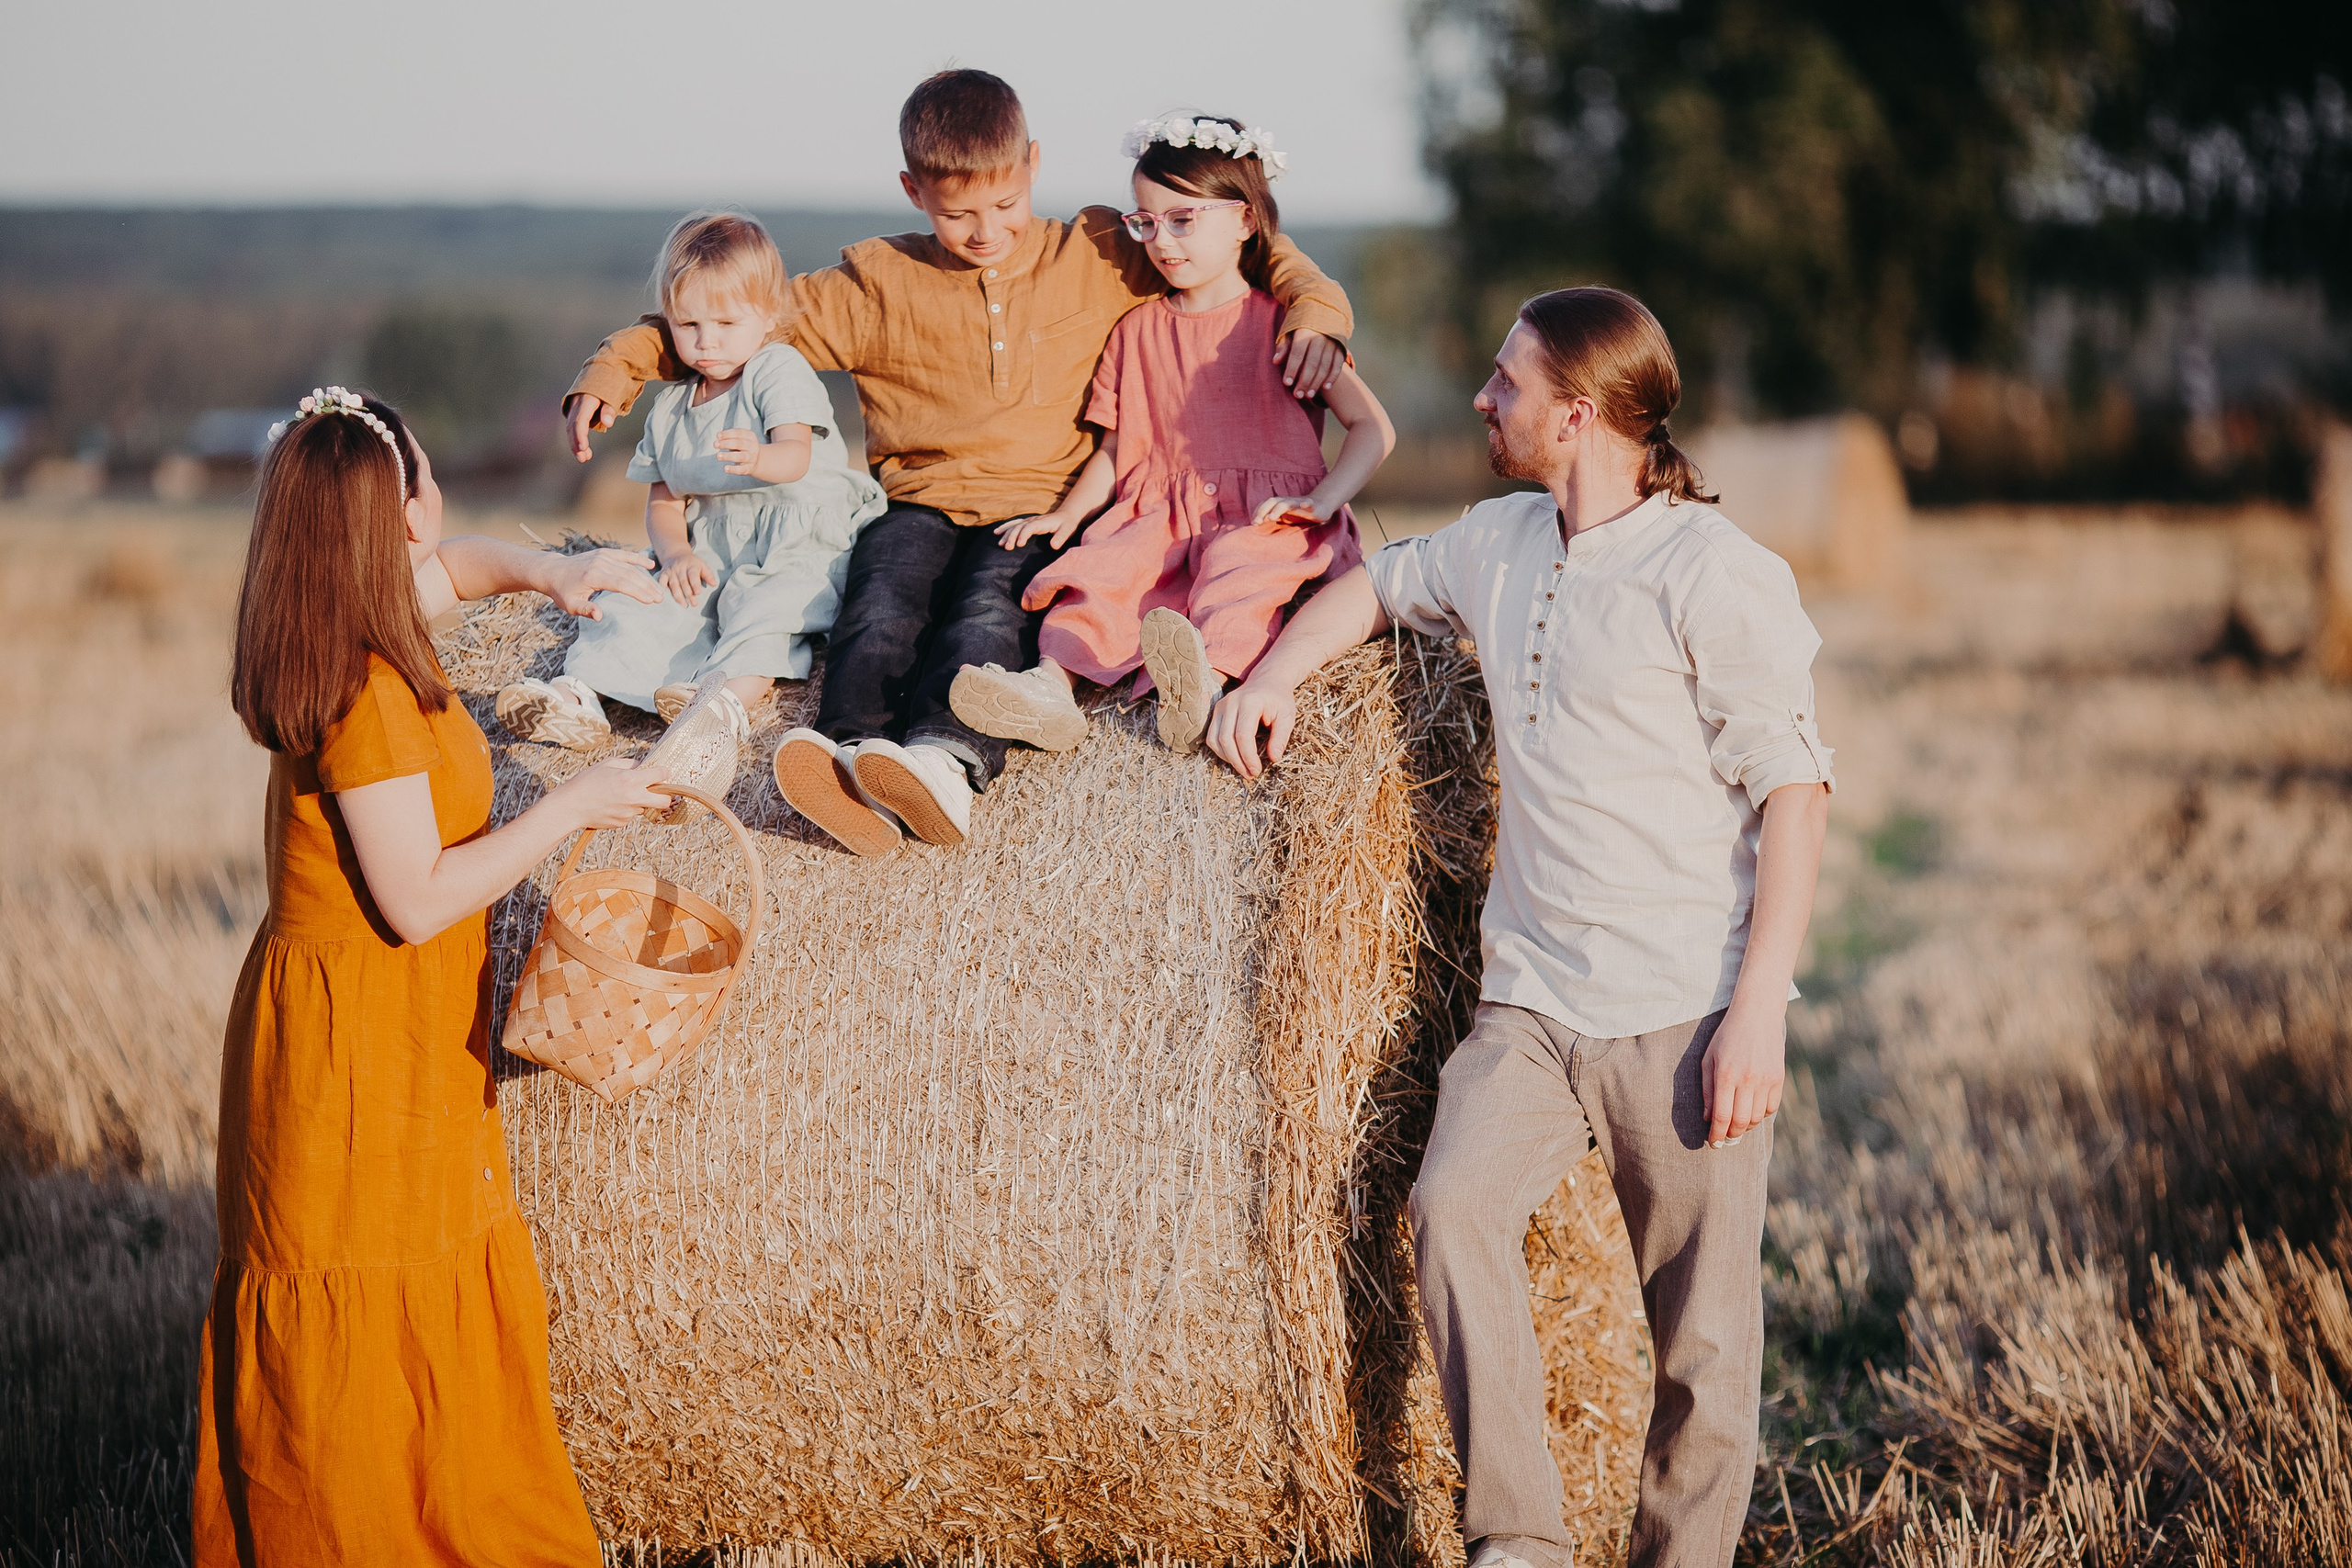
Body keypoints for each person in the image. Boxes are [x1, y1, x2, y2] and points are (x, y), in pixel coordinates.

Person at [1208, 289, 1835, 1568]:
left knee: (1703, 1345)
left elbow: (1796, 788)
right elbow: (1376, 593)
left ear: (1577, 413)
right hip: (1531, 1002)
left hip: (1684, 1006)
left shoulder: (1713, 575)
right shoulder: (1500, 542)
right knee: (1453, 1204)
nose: (1484, 398)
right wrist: (1271, 674)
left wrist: (1760, 1000)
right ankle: (1520, 1534)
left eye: (1506, 382)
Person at [559, 69, 1353, 854]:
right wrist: (613, 368)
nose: (984, 231)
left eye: (1005, 206)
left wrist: (1317, 315)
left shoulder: (1104, 250)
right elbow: (725, 322)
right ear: (913, 190)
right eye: (957, 213)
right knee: (879, 605)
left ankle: (942, 764)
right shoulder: (876, 283)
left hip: (1043, 505)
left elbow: (1249, 251)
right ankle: (845, 759)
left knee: (989, 612)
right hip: (919, 501)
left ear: (1033, 164)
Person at [196, 387, 671, 1565]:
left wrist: (558, 575)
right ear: (393, 515)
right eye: (421, 476)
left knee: (425, 1291)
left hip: (389, 1032)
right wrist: (573, 805)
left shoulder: (353, 620)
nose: (439, 499)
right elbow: (413, 900)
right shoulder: (360, 694)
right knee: (359, 1308)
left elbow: (458, 567)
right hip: (353, 1049)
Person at [948, 115, 1394, 756]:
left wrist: (1323, 502)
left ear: (1244, 221)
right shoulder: (1135, 332)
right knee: (1102, 570)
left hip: (1265, 521)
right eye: (1145, 222)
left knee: (1242, 572)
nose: (1160, 240)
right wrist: (1068, 513)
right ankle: (1053, 687)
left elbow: (1373, 430)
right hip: (1158, 516)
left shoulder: (1287, 328)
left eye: (1183, 220)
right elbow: (1112, 448)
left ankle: (1203, 687)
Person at [498, 212, 886, 809]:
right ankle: (580, 696)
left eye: (727, 323)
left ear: (767, 317)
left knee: (766, 613)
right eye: (689, 325)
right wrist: (675, 551)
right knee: (635, 598)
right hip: (713, 547)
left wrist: (761, 456)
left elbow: (797, 455)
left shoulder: (776, 369)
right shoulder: (674, 405)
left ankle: (721, 708)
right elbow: (664, 499)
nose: (707, 341)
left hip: (796, 538)